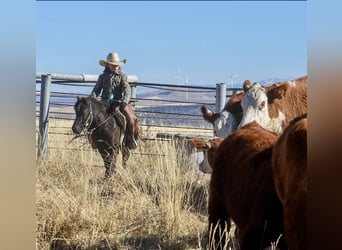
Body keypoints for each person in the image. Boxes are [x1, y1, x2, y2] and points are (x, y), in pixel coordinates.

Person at [90, 52, 139, 149]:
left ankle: (131, 138)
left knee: (131, 118)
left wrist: (124, 101)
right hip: (104, 103)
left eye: (117, 65)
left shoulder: (122, 76)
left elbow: (127, 89)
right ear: (108, 65)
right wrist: (92, 99)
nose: (115, 66)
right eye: (113, 64)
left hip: (119, 103)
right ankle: (93, 139)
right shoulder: (102, 77)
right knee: (91, 117)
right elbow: (96, 90)